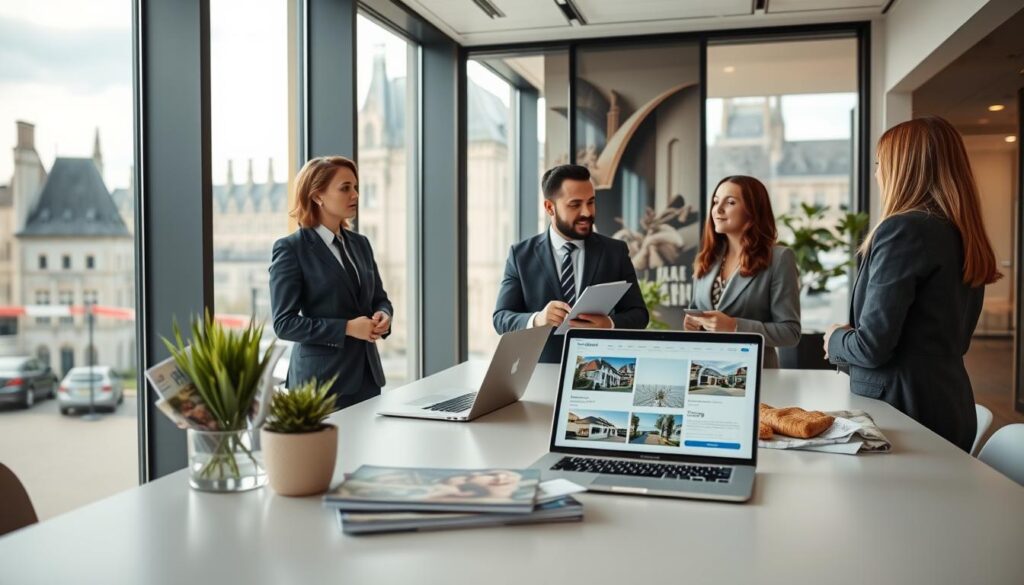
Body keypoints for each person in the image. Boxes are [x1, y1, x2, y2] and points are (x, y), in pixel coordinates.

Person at [824, 116, 1001, 452]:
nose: (876, 173)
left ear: (901, 169)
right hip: (948, 403)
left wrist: (835, 337)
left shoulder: (904, 230)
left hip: (902, 411)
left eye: (880, 163)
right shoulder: (959, 232)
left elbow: (872, 347)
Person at [269, 156, 393, 410]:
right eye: (345, 188)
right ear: (317, 196)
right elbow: (285, 324)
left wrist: (384, 314)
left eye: (356, 187)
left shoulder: (361, 244)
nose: (355, 194)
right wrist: (347, 328)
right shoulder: (292, 249)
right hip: (320, 386)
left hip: (367, 379)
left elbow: (379, 297)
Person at [493, 164, 649, 363]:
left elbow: (639, 314)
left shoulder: (615, 252)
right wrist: (538, 319)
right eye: (575, 205)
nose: (587, 212)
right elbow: (501, 319)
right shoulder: (521, 255)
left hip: (598, 370)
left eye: (591, 202)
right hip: (540, 372)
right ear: (550, 207)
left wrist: (608, 323)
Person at [684, 175, 800, 368]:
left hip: (755, 374)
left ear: (752, 211)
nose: (718, 209)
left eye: (730, 202)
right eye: (715, 202)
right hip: (704, 371)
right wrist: (692, 325)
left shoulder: (779, 258)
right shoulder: (707, 258)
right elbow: (698, 310)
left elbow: (790, 333)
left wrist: (734, 326)